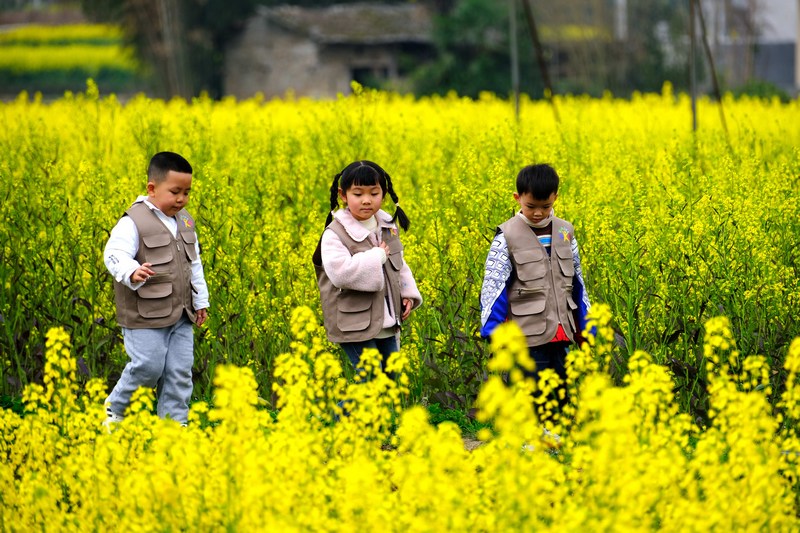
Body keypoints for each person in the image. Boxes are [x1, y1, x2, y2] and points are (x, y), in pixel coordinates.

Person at [103, 151, 209, 427]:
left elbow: (194, 263)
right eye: (175, 192)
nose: (181, 199)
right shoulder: (133, 221)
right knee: (147, 367)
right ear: (152, 188)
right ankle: (116, 410)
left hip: (182, 314)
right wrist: (131, 271)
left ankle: (173, 425)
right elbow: (113, 254)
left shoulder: (185, 221)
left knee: (179, 372)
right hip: (145, 315)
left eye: (187, 193)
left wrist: (201, 300)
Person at [479, 163, 591, 416]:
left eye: (545, 206)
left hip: (561, 330)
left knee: (560, 388)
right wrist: (493, 329)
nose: (538, 213)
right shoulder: (506, 236)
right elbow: (494, 286)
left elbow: (577, 281)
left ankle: (556, 432)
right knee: (530, 391)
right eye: (531, 206)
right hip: (525, 332)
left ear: (555, 198)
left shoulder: (565, 232)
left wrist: (586, 325)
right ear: (517, 198)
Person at [313, 160, 422, 379]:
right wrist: (376, 256)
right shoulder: (335, 233)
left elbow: (399, 265)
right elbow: (340, 273)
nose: (366, 200)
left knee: (392, 380)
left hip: (387, 319)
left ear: (384, 194)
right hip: (354, 322)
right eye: (358, 194)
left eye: (374, 193)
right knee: (371, 381)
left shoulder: (387, 226)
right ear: (343, 195)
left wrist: (407, 295)